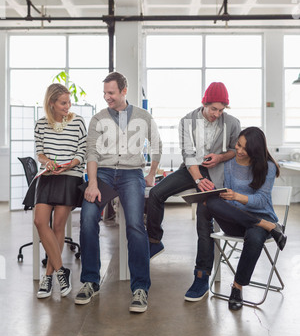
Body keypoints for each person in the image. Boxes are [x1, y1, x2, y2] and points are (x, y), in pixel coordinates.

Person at [75, 72, 162, 313]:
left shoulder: (143, 117)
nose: (106, 97)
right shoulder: (98, 119)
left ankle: (140, 287)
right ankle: (90, 281)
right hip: (102, 173)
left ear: (124, 90)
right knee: (88, 217)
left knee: (135, 224)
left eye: (111, 93)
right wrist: (91, 183)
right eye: (104, 93)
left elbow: (157, 145)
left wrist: (152, 173)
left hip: (131, 173)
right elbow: (91, 153)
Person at [146, 82, 241, 301]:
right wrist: (198, 177)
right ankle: (154, 240)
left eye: (221, 110)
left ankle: (201, 276)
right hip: (191, 170)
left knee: (203, 218)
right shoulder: (186, 121)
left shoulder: (233, 123)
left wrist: (220, 157)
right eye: (213, 109)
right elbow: (188, 154)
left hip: (216, 173)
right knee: (156, 194)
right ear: (204, 103)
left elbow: (235, 151)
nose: (216, 114)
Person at [205, 126, 286, 310]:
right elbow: (225, 198)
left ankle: (237, 288)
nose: (239, 151)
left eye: (244, 148)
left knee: (255, 236)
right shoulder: (229, 164)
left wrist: (236, 197)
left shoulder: (268, 167)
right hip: (237, 221)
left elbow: (262, 200)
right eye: (238, 145)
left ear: (255, 151)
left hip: (259, 218)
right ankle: (270, 226)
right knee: (211, 203)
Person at [34, 83, 87, 299]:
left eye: (69, 102)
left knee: (58, 225)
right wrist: (47, 163)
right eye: (63, 103)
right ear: (52, 103)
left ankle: (48, 278)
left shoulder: (78, 122)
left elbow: (82, 151)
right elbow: (40, 153)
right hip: (47, 176)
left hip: (70, 176)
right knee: (39, 221)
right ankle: (59, 269)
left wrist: (69, 164)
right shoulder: (40, 124)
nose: (68, 106)